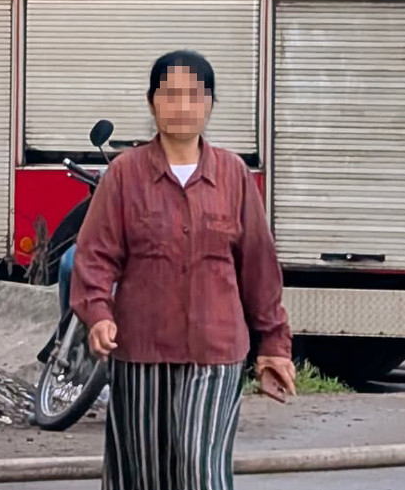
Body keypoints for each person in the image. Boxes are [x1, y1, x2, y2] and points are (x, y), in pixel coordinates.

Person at [72, 50, 296, 490]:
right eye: (169, 94)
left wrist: (274, 345)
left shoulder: (233, 175)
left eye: (193, 95)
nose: (181, 106)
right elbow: (95, 255)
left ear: (209, 104)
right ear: (152, 102)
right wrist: (98, 314)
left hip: (216, 351)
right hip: (141, 351)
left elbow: (258, 267)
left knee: (199, 469)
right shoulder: (125, 175)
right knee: (144, 475)